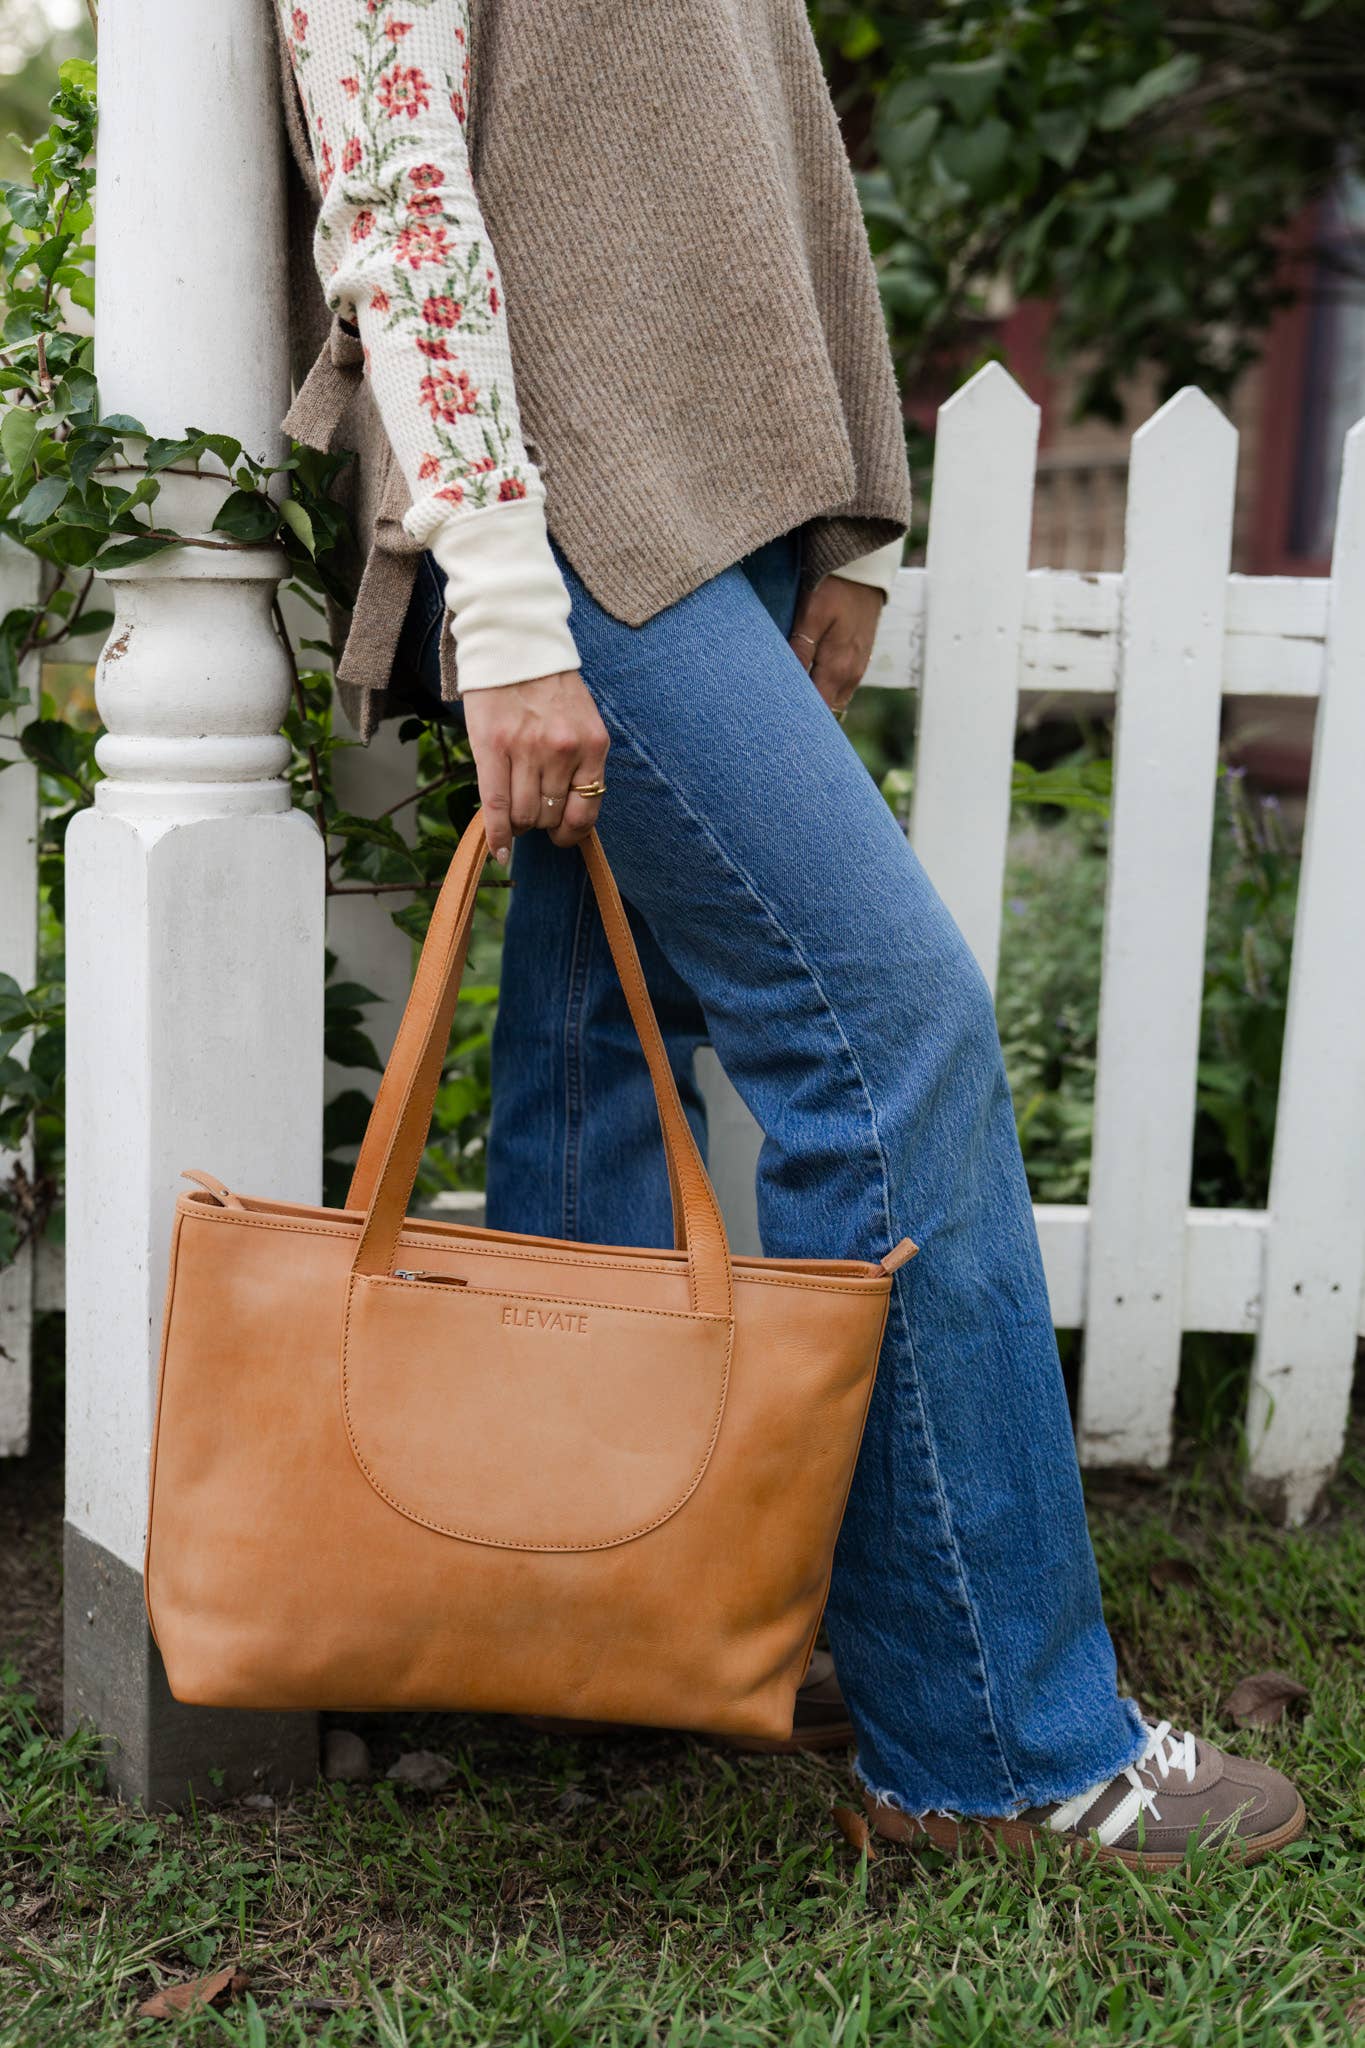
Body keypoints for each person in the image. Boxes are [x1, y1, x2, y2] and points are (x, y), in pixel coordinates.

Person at [276, 0, 1304, 1867]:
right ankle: (996, 1738)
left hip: (688, 495)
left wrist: (834, 518)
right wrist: (499, 596)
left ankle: (595, 1625)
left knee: (606, 1037)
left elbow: (752, 135)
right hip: (569, 519)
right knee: (887, 1031)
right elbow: (396, 172)